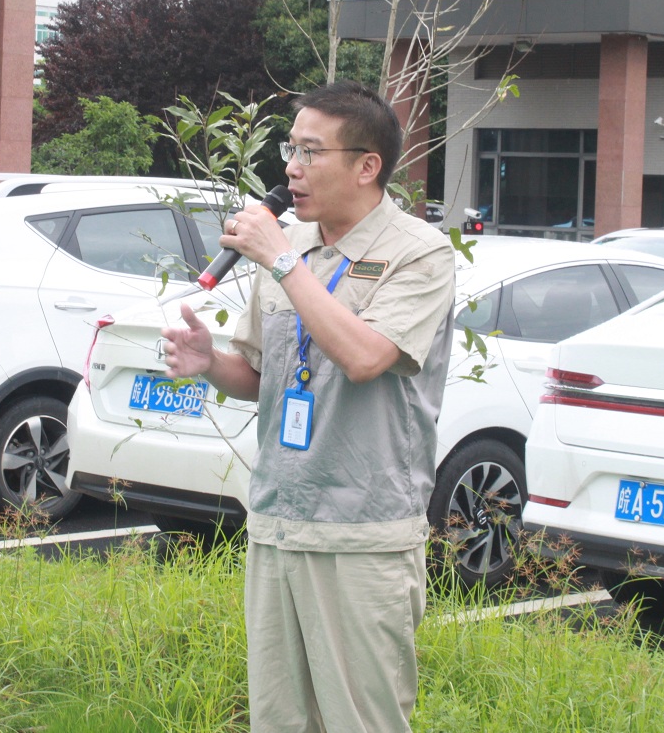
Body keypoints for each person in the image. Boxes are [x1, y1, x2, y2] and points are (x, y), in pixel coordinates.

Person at [161, 80, 455, 732]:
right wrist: (208, 361)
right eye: (290, 149)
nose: (290, 167)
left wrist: (284, 258)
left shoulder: (418, 252)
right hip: (277, 521)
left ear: (366, 165)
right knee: (278, 721)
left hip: (362, 534)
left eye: (311, 151)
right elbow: (261, 372)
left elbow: (365, 356)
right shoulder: (291, 247)